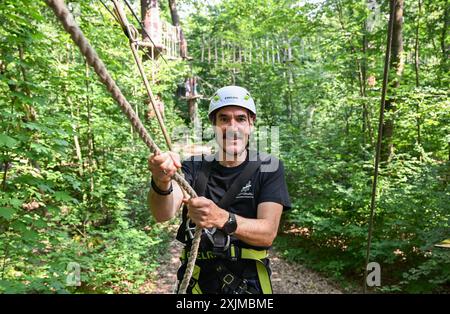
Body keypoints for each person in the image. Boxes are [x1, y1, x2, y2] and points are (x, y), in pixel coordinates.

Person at [147, 86, 291, 294]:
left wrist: (222, 218)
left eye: (240, 119)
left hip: (248, 285)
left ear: (251, 124)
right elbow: (163, 214)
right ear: (214, 125)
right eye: (224, 119)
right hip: (198, 284)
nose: (232, 127)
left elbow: (267, 233)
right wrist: (161, 181)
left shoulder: (268, 168)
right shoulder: (193, 168)